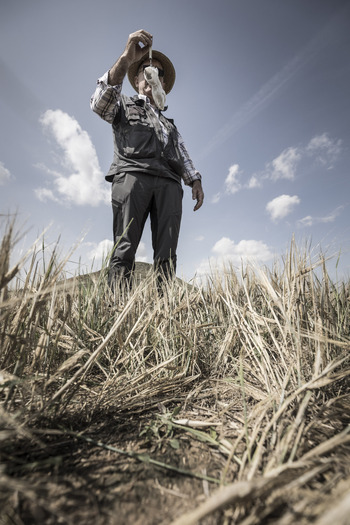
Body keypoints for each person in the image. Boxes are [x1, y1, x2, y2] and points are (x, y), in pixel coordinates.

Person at [90, 29, 204, 290]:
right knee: (125, 246)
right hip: (132, 177)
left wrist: (195, 180)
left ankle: (165, 311)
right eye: (146, 69)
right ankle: (117, 308)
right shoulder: (123, 105)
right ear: (137, 78)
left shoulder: (170, 125)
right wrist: (126, 58)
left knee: (167, 253)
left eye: (159, 72)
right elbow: (99, 103)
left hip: (169, 185)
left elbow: (183, 155)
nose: (152, 74)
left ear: (163, 83)